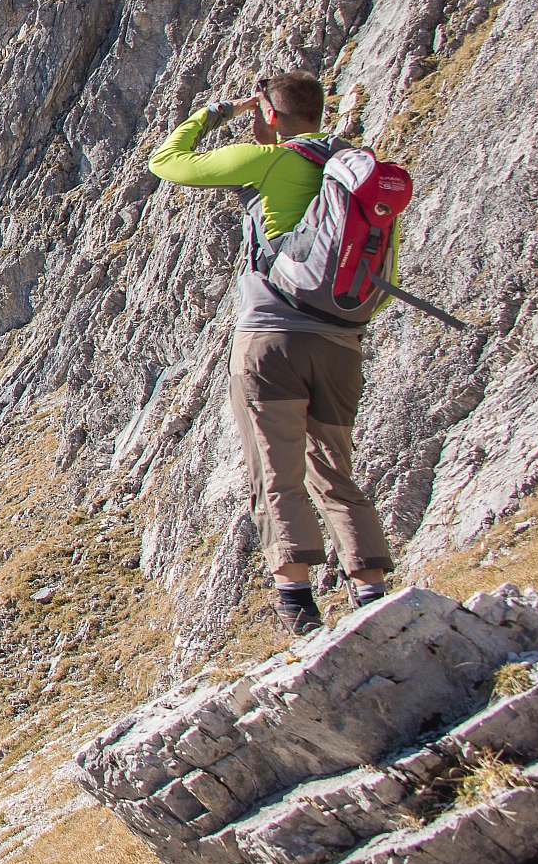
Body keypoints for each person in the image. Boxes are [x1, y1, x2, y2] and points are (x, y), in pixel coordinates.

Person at [148, 71, 395, 636]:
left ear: (271, 115)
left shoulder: (271, 161)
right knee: (335, 470)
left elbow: (168, 161)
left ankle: (297, 604)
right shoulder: (357, 177)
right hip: (341, 345)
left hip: (270, 341)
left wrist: (220, 111)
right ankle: (371, 592)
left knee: (274, 470)